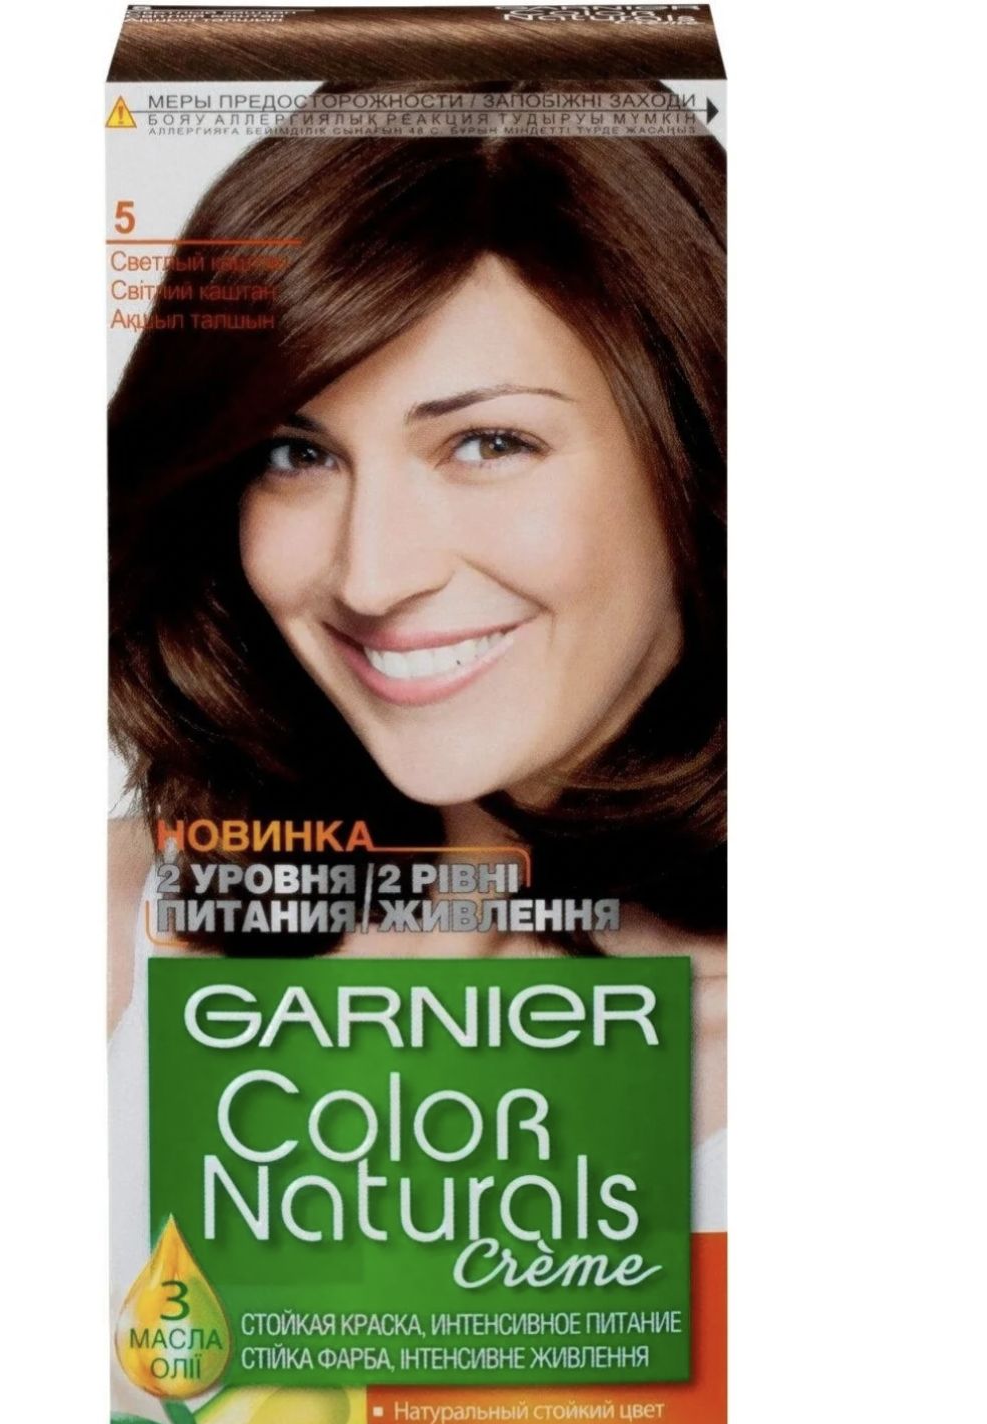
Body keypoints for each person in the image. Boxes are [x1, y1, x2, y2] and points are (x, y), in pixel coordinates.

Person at [107, 96, 726, 1190]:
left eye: (488, 443)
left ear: (696, 445)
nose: (371, 575)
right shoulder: (122, 925)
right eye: (297, 455)